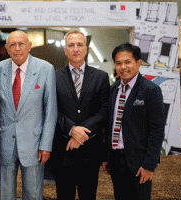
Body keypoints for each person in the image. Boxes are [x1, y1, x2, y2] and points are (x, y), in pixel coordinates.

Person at [0, 30, 57, 200]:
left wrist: (46, 145)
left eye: (21, 44)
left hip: (34, 144)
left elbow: (50, 111)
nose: (17, 48)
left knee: (33, 193)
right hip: (5, 143)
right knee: (5, 194)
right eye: (12, 45)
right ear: (6, 48)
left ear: (29, 46)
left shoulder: (45, 69)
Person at [102, 43, 165, 200]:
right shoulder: (113, 89)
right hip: (116, 160)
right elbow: (109, 125)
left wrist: (149, 165)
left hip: (139, 162)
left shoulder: (150, 90)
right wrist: (106, 156)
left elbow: (157, 130)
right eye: (118, 63)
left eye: (127, 62)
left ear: (138, 63)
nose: (123, 67)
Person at [52, 30, 110, 200]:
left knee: (88, 195)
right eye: (71, 45)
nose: (75, 49)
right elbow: (51, 110)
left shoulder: (101, 77)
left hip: (90, 151)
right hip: (63, 150)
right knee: (64, 195)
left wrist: (80, 133)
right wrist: (71, 129)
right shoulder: (53, 76)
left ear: (86, 48)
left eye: (79, 45)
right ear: (65, 49)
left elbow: (105, 109)